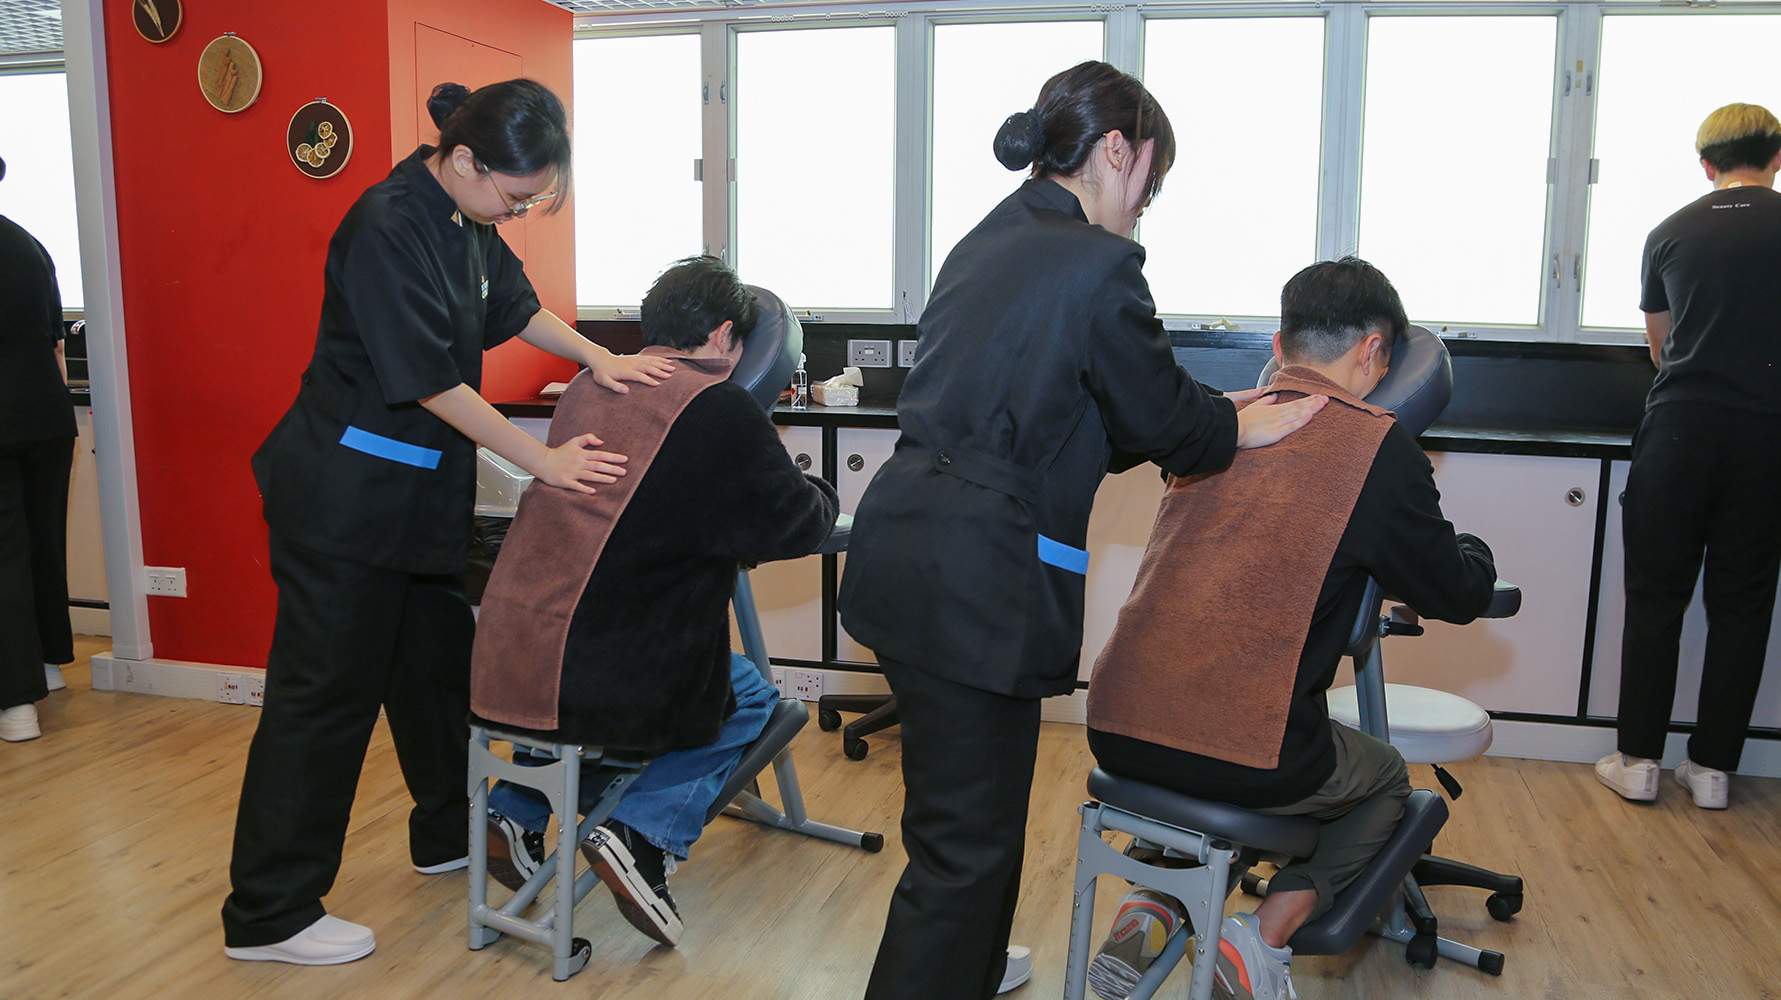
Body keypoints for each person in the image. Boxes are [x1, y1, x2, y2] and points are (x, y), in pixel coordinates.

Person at [835, 61, 1326, 1000]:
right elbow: (1161, 421)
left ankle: (968, 973)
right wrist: (1231, 426)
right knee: (962, 853)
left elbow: (1077, 410)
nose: (1143, 207)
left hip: (906, 549)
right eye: (1150, 183)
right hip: (980, 577)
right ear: (1115, 151)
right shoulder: (1098, 262)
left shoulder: (989, 238)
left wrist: (1204, 413)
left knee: (969, 836)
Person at [222, 80, 675, 966]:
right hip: (344, 504)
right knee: (323, 705)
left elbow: (515, 307)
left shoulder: (467, 219)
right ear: (464, 160)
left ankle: (444, 836)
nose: (517, 213)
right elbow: (431, 380)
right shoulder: (386, 225)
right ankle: (269, 912)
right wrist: (543, 461)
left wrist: (599, 357)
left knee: (434, 681)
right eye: (516, 196)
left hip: (415, 503)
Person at [1083, 257, 1498, 1000]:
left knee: (1206, 736)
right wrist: (1477, 553)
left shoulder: (1220, 420)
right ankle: (1260, 938)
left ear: (1279, 345)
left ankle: (1152, 904)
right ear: (1373, 351)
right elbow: (1456, 591)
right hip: (1247, 753)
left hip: (1116, 724)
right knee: (1382, 779)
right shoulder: (1376, 445)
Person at [472, 255, 838, 948]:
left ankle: (515, 808)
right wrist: (822, 492)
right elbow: (790, 523)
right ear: (725, 334)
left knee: (588, 679)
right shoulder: (716, 404)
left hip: (511, 643)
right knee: (752, 700)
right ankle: (640, 835)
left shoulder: (592, 382)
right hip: (600, 670)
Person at [1595, 103, 1781, 812]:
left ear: (1706, 165)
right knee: (1742, 603)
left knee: (1654, 597)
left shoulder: (1669, 231)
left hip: (1679, 429)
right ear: (1776, 158)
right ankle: (1712, 771)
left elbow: (1660, 348)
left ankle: (1638, 759)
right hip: (1768, 436)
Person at [0, 154, 78, 743]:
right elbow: (55, 343)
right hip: (46, 418)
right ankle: (48, 665)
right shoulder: (29, 246)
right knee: (41, 541)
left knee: (5, 557)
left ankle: (16, 703)